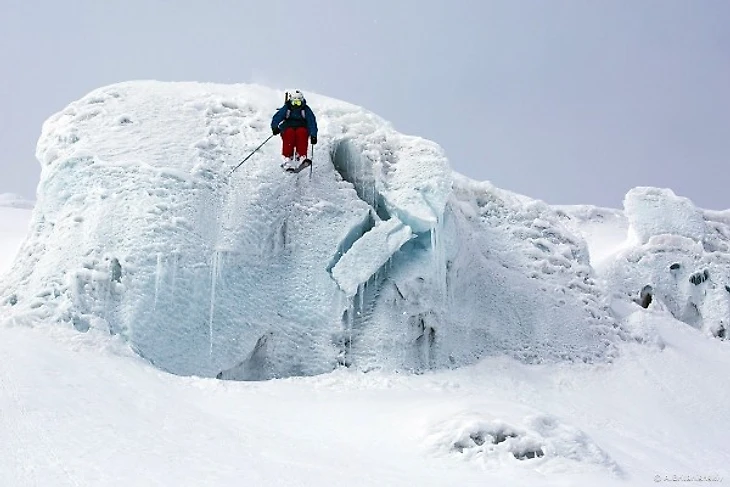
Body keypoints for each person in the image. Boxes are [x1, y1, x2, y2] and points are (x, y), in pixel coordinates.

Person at [271, 90, 318, 169]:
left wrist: (313, 135)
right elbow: (277, 117)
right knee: (289, 133)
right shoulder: (287, 108)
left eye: (298, 103)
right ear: (291, 101)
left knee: (302, 132)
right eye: (294, 102)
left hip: (302, 127)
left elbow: (311, 121)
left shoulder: (305, 109)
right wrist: (274, 127)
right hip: (288, 127)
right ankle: (287, 158)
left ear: (302, 102)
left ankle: (301, 156)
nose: (296, 105)